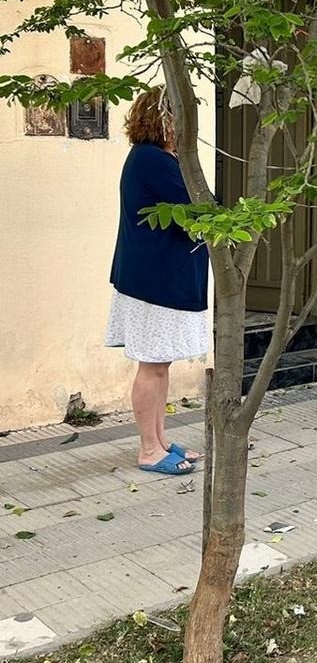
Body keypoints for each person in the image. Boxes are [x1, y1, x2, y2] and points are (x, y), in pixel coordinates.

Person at [106, 88, 209, 475]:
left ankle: (161, 441)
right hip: (155, 285)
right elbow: (201, 209)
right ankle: (149, 449)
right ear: (168, 119)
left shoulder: (152, 158)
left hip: (156, 281)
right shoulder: (154, 160)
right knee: (152, 367)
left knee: (160, 366)